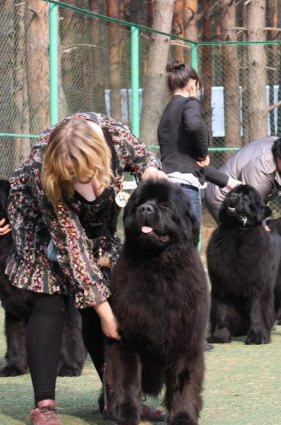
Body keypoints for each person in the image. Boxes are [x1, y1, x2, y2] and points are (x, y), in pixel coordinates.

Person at [5, 112, 169, 425]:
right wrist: (106, 314)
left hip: (96, 225)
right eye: (73, 177)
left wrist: (151, 174)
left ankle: (120, 401)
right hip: (41, 223)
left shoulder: (115, 136)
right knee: (51, 298)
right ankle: (44, 406)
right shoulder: (43, 173)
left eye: (88, 173)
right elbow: (72, 248)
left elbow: (146, 159)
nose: (86, 183)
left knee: (105, 294)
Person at [157, 60, 241, 227]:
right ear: (193, 84)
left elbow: (190, 164)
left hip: (164, 189)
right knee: (188, 246)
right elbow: (194, 125)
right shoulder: (190, 103)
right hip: (185, 191)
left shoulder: (167, 113)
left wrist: (229, 182)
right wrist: (203, 152)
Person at [203, 134, 281, 223]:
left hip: (242, 195)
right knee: (238, 238)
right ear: (279, 156)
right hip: (223, 196)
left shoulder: (280, 143)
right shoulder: (261, 169)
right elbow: (253, 206)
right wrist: (263, 227)